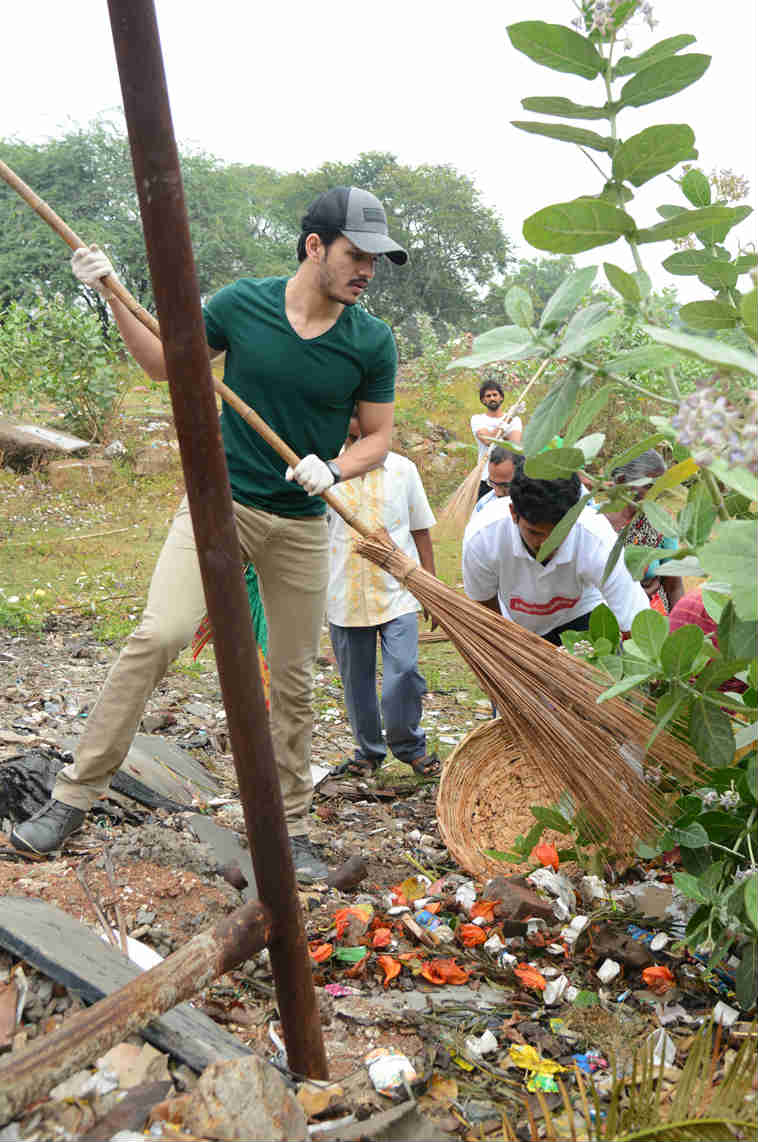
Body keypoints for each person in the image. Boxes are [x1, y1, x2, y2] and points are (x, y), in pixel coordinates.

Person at [12, 186, 407, 881]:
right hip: (215, 508)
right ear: (315, 246)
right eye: (356, 254)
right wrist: (109, 292)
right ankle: (72, 796)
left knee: (290, 678)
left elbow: (379, 436)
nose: (367, 270)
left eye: (376, 259)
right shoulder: (243, 306)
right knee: (158, 637)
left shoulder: (370, 342)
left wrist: (335, 468)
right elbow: (166, 363)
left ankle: (287, 831)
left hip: (301, 528)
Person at [327, 412, 440, 778]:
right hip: (345, 591)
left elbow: (420, 530)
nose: (358, 420)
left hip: (399, 591)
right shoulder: (326, 470)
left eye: (365, 412)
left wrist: (431, 588)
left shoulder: (403, 470)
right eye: (352, 412)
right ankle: (369, 752)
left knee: (403, 672)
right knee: (356, 681)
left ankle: (409, 745)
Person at [462, 469, 649, 644]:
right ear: (513, 513)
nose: (546, 545)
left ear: (574, 518)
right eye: (535, 533)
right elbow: (484, 604)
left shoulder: (596, 537)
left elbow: (635, 620)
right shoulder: (483, 537)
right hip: (517, 624)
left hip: (580, 611)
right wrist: (510, 647)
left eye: (558, 534)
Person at [605, 450, 684, 614]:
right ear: (622, 481)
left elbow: (673, 585)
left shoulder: (661, 523)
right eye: (649, 487)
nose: (654, 496)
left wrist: (677, 627)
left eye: (659, 489)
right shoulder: (593, 521)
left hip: (649, 618)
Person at [470, 381, 523, 500]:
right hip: (485, 477)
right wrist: (507, 421)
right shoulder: (477, 419)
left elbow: (514, 445)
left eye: (495, 394)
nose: (492, 398)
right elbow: (488, 441)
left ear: (501, 397)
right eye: (488, 396)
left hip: (509, 476)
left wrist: (509, 418)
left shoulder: (515, 419)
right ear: (483, 400)